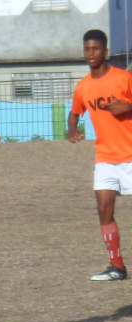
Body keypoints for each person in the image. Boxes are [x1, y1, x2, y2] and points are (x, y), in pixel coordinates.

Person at [68, 29, 132, 281]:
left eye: (95, 49)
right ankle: (117, 267)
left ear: (105, 51)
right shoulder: (83, 86)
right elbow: (74, 113)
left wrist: (129, 106)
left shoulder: (123, 78)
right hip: (105, 158)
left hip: (130, 155)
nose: (90, 54)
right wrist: (73, 130)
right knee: (104, 207)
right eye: (87, 49)